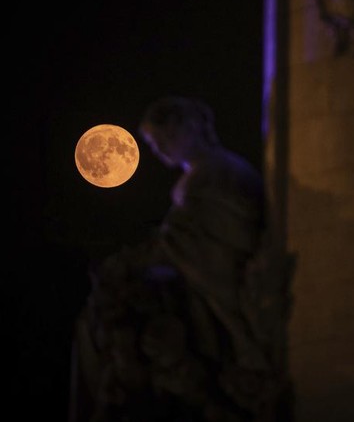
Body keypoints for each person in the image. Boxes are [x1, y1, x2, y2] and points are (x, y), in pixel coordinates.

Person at [71, 97, 292, 422]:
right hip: (196, 275)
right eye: (154, 144)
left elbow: (204, 243)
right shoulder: (201, 174)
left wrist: (139, 260)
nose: (160, 148)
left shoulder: (217, 172)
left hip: (214, 282)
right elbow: (181, 239)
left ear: (192, 127)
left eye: (166, 137)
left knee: (121, 305)